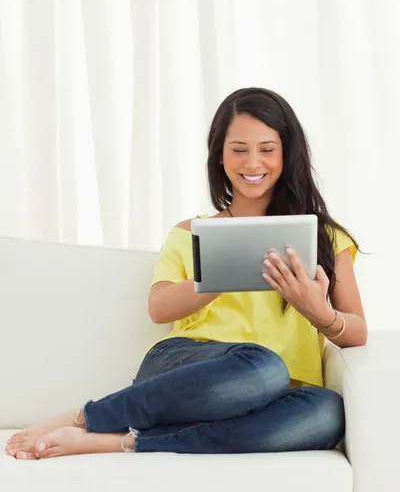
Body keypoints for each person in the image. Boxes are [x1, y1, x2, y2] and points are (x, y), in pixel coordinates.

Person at [5, 87, 367, 460]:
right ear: (220, 157)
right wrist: (221, 271)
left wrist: (317, 312)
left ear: (286, 153)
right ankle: (89, 417)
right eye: (239, 150)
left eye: (267, 149)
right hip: (189, 368)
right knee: (263, 368)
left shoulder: (324, 238)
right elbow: (159, 309)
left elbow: (358, 330)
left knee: (326, 411)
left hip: (279, 393)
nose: (253, 163)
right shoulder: (190, 232)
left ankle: (122, 441)